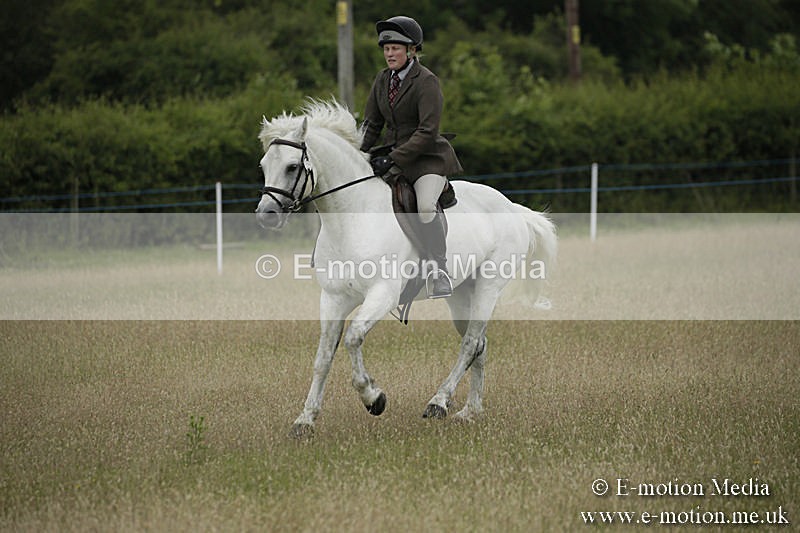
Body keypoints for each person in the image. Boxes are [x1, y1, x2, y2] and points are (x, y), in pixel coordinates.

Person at [360, 15, 462, 299]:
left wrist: (394, 157)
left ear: (412, 50)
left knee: (426, 206)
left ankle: (439, 270)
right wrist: (357, 154)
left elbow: (427, 131)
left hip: (426, 160)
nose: (389, 54)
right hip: (391, 158)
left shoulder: (426, 81)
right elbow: (372, 125)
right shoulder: (382, 79)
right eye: (386, 49)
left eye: (395, 48)